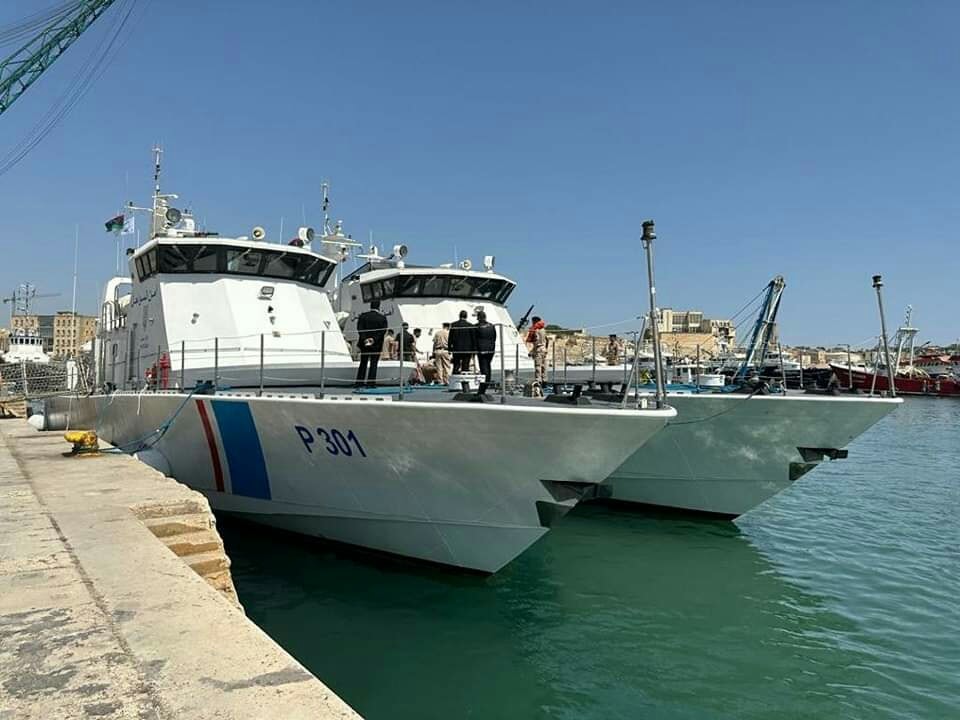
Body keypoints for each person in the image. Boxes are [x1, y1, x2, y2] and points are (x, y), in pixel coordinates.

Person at [355, 300, 387, 387]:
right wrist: (373, 340)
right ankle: (371, 383)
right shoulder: (382, 318)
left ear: (370, 306)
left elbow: (360, 329)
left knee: (363, 363)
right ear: (378, 306)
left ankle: (359, 382)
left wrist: (365, 339)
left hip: (364, 344)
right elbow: (382, 331)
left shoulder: (363, 316)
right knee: (373, 364)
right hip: (376, 345)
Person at [474, 311, 497, 393]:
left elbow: (474, 338)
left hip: (481, 349)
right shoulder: (491, 326)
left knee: (483, 368)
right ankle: (487, 382)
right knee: (488, 366)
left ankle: (483, 386)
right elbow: (494, 337)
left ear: (478, 317)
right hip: (491, 349)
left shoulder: (476, 327)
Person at [526, 315, 548, 396]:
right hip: (544, 349)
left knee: (538, 365)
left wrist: (531, 351)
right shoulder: (543, 330)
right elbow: (547, 340)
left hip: (538, 349)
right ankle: (545, 380)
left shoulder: (536, 330)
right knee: (544, 366)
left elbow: (536, 342)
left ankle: (538, 380)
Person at [449, 310, 476, 374]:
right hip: (467, 350)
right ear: (466, 316)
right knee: (465, 366)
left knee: (456, 365)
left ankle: (455, 378)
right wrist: (474, 350)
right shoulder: (471, 326)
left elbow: (450, 338)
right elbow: (473, 339)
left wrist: (449, 348)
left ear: (459, 316)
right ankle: (464, 379)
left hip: (456, 349)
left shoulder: (454, 325)